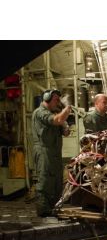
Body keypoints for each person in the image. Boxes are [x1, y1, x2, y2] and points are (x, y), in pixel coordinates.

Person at [31, 89, 72, 217]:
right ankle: (43, 210)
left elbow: (65, 132)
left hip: (54, 152)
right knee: (45, 180)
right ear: (47, 98)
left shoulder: (54, 113)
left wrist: (65, 126)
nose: (57, 102)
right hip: (44, 151)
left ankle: (54, 207)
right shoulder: (40, 113)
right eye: (55, 100)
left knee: (56, 180)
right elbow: (57, 120)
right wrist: (66, 109)